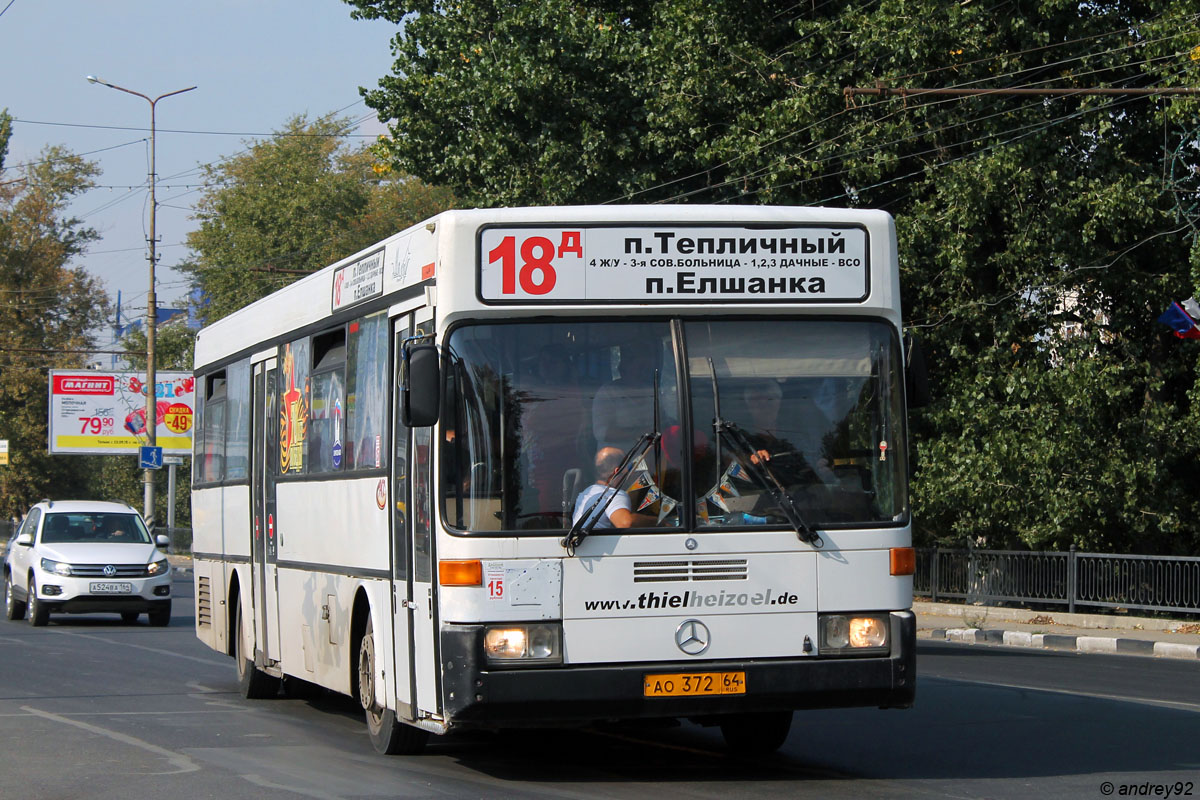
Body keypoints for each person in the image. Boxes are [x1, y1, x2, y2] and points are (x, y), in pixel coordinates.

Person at [591, 344, 669, 451]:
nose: (642, 372)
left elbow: (663, 422)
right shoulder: (608, 393)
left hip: (652, 458)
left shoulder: (652, 392)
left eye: (644, 368)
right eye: (639, 367)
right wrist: (641, 433)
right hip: (617, 461)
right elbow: (603, 432)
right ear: (623, 369)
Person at [571, 447, 655, 529]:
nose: (629, 471)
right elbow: (626, 523)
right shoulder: (613, 494)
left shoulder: (589, 491)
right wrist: (660, 522)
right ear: (617, 471)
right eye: (627, 467)